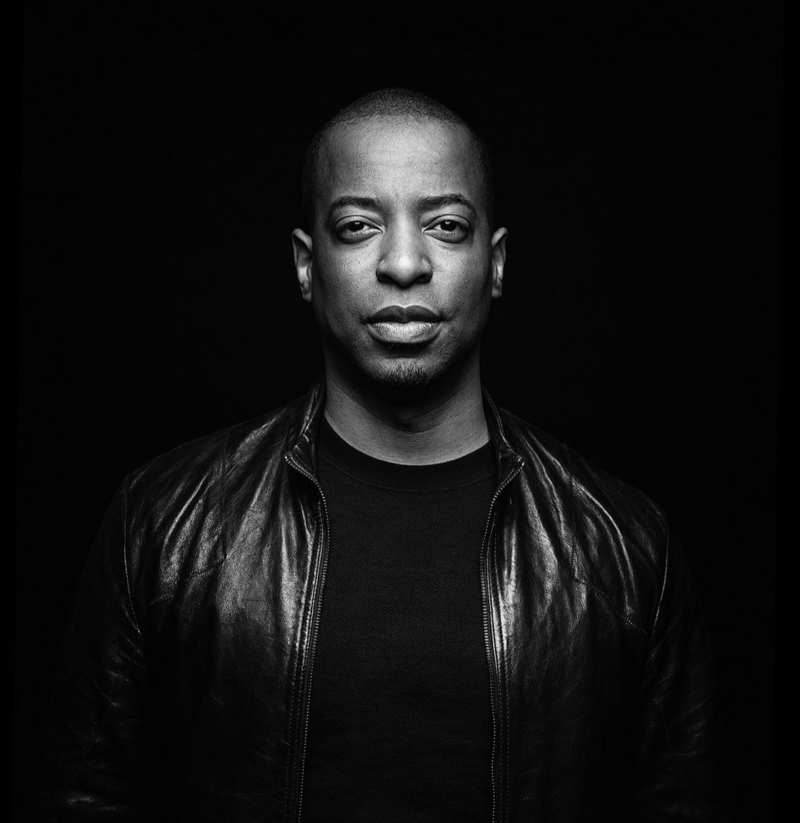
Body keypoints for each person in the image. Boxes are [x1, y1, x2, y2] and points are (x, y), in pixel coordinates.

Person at [36, 88, 727, 821]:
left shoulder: (624, 546)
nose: (403, 263)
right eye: (359, 226)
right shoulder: (164, 524)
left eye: (446, 225)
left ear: (495, 263)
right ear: (307, 265)